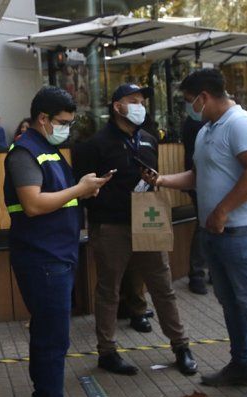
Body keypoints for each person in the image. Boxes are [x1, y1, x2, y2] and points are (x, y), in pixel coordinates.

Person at [144, 69, 247, 397]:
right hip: (216, 233)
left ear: (204, 96)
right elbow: (198, 175)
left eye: (190, 101)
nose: (189, 108)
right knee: (230, 303)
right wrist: (164, 180)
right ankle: (241, 365)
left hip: (242, 230)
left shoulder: (241, 123)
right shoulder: (207, 131)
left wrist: (222, 210)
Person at [5, 85, 110, 397]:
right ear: (43, 118)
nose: (67, 127)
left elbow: (58, 197)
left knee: (49, 335)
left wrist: (82, 189)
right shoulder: (24, 152)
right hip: (43, 259)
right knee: (53, 339)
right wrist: (79, 189)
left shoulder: (48, 149)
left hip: (57, 255)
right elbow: (34, 204)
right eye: (62, 122)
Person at [72, 83, 197, 377]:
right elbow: (83, 188)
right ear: (117, 107)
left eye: (142, 101)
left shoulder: (149, 140)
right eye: (133, 101)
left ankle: (181, 346)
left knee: (163, 286)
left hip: (148, 221)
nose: (140, 105)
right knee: (108, 290)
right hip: (110, 226)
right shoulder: (95, 144)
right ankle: (107, 351)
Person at [182, 116, 209, 294]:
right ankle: (197, 274)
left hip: (207, 182)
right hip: (199, 182)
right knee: (203, 225)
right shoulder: (197, 124)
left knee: (209, 226)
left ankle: (208, 271)